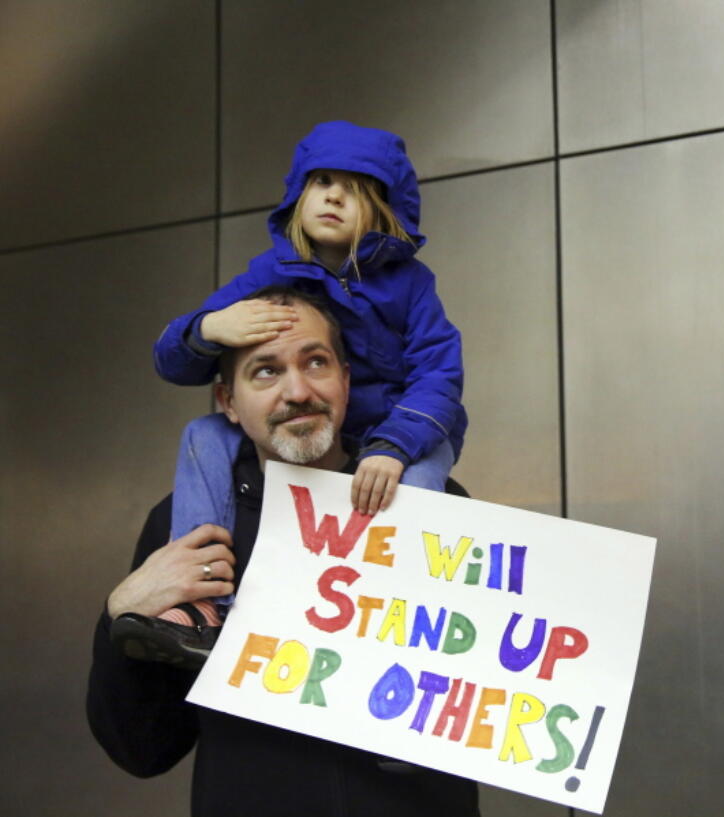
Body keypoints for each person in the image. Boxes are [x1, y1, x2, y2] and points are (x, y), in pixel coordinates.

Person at [88, 288, 480, 817]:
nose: (298, 391)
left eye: (315, 362)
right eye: (265, 372)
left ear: (345, 380)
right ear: (227, 401)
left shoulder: (439, 506)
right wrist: (121, 616)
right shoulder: (183, 527)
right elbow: (143, 749)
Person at [118, 121, 466, 665]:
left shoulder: (412, 283)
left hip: (406, 430)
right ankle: (201, 602)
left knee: (419, 489)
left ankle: (408, 642)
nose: (333, 196)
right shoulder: (268, 274)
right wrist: (209, 329)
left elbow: (440, 376)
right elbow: (171, 360)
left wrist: (394, 445)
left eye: (355, 189)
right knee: (199, 434)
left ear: (384, 208)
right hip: (319, 437)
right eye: (322, 181)